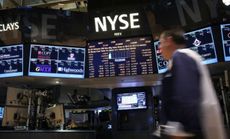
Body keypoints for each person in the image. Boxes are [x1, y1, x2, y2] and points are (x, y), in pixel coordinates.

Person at [158, 29, 227, 139]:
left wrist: (181, 132)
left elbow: (186, 95)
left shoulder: (182, 56)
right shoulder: (177, 61)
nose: (159, 49)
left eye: (160, 43)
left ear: (169, 41)